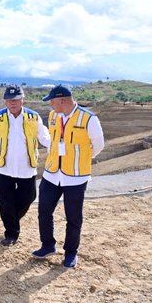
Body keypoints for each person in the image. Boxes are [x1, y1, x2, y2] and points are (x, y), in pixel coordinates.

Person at [32, 84, 104, 268]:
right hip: (52, 172)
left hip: (76, 176)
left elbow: (98, 144)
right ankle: (48, 245)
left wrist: (83, 159)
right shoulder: (53, 116)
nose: (50, 104)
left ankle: (71, 252)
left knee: (73, 217)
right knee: (44, 210)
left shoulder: (88, 118)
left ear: (62, 100)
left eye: (52, 101)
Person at [0, 84, 50, 247]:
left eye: (16, 99)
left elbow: (44, 136)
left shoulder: (34, 117)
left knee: (29, 197)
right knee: (5, 201)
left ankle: (11, 219)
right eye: (10, 100)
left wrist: (57, 146)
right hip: (4, 166)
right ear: (5, 101)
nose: (13, 103)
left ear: (22, 100)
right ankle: (11, 233)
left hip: (27, 166)